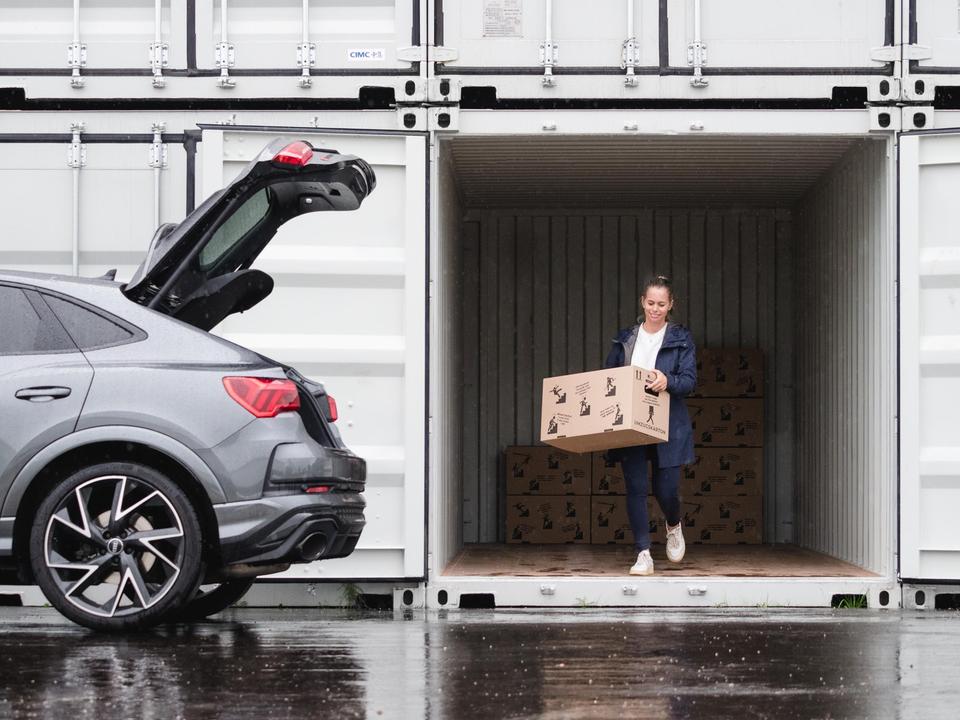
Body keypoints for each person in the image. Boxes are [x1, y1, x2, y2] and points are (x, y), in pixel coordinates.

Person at [604, 275, 697, 576]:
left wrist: (667, 380)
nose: (655, 309)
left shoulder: (681, 338)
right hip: (631, 421)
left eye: (661, 304)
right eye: (650, 303)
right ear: (642, 302)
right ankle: (643, 553)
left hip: (667, 423)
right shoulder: (626, 338)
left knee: (666, 489)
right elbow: (609, 376)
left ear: (671, 305)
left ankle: (673, 524)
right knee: (635, 487)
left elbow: (690, 381)